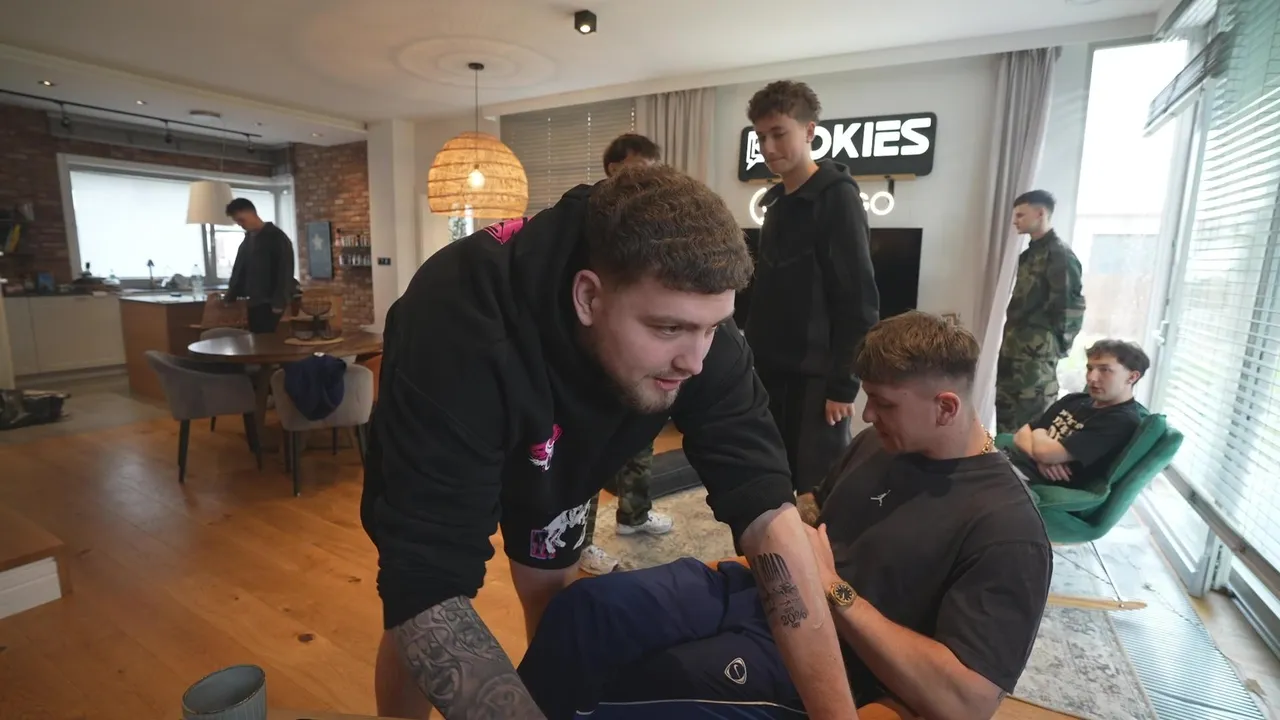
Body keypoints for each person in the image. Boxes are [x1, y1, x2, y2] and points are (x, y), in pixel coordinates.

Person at [362, 164, 859, 719]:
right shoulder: (457, 321)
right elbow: (428, 590)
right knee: (418, 610)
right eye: (668, 329)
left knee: (553, 596)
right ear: (588, 297)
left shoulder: (703, 336)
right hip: (459, 411)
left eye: (714, 326)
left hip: (570, 437)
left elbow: (769, 516)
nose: (695, 362)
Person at [518, 311, 1053, 720]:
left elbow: (966, 700)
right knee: (584, 610)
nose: (867, 415)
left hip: (831, 657)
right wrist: (771, 542)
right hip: (755, 589)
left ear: (947, 407)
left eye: (885, 404)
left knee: (635, 686)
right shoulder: (877, 445)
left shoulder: (1007, 530)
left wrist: (833, 589)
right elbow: (812, 512)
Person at [742, 80, 880, 521]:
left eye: (779, 133)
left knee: (818, 496)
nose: (768, 147)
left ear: (809, 131)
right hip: (769, 373)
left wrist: (843, 386)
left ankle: (823, 565)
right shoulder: (777, 204)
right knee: (770, 481)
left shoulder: (837, 198)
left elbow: (858, 299)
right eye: (761, 136)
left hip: (816, 381)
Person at [580, 132, 674, 577]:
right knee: (586, 455)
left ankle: (633, 515)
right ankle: (579, 545)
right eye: (638, 170)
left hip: (640, 358)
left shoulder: (652, 225)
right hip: (593, 359)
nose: (647, 181)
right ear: (613, 169)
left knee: (640, 438)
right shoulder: (588, 221)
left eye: (653, 172)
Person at [995, 190, 1086, 433]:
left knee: (1032, 426)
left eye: (1020, 215)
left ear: (1040, 213)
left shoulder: (1059, 255)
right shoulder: (1029, 255)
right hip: (1013, 354)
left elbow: (1069, 309)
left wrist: (1055, 349)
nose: (1015, 221)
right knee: (1006, 424)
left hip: (1035, 361)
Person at [1007, 339, 1148, 490]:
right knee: (987, 443)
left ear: (1132, 377)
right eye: (1090, 368)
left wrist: (1039, 433)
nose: (1092, 378)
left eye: (1105, 370)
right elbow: (1020, 435)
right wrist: (1041, 459)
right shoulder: (1074, 399)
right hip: (1011, 461)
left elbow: (1045, 452)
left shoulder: (1121, 420)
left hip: (1029, 482)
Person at [223, 198, 296, 334]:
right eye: (237, 222)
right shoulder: (248, 240)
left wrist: (279, 302)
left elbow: (285, 271)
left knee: (265, 340)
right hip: (254, 300)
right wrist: (231, 294)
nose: (240, 224)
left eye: (242, 220)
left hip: (269, 301)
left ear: (251, 213)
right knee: (256, 338)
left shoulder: (277, 237)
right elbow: (239, 269)